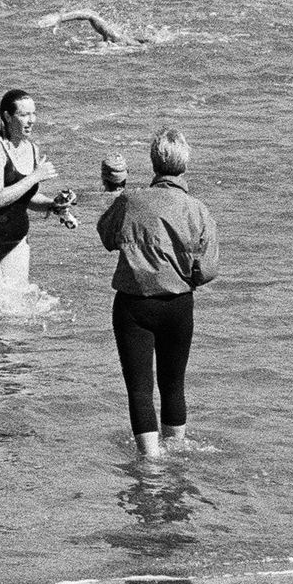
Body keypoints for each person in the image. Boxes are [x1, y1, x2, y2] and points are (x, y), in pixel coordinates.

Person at [96, 129, 218, 459]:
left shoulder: (130, 201)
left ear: (153, 162)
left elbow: (107, 237)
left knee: (139, 389)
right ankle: (175, 454)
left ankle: (150, 463)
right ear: (185, 164)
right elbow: (207, 270)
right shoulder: (198, 209)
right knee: (173, 384)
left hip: (134, 305)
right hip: (178, 305)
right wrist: (186, 274)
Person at [0, 88, 75, 288]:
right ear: (7, 117)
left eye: (33, 113)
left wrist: (53, 205)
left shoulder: (32, 149)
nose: (32, 120)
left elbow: (26, 197)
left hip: (16, 239)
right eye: (24, 115)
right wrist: (35, 176)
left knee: (17, 303)